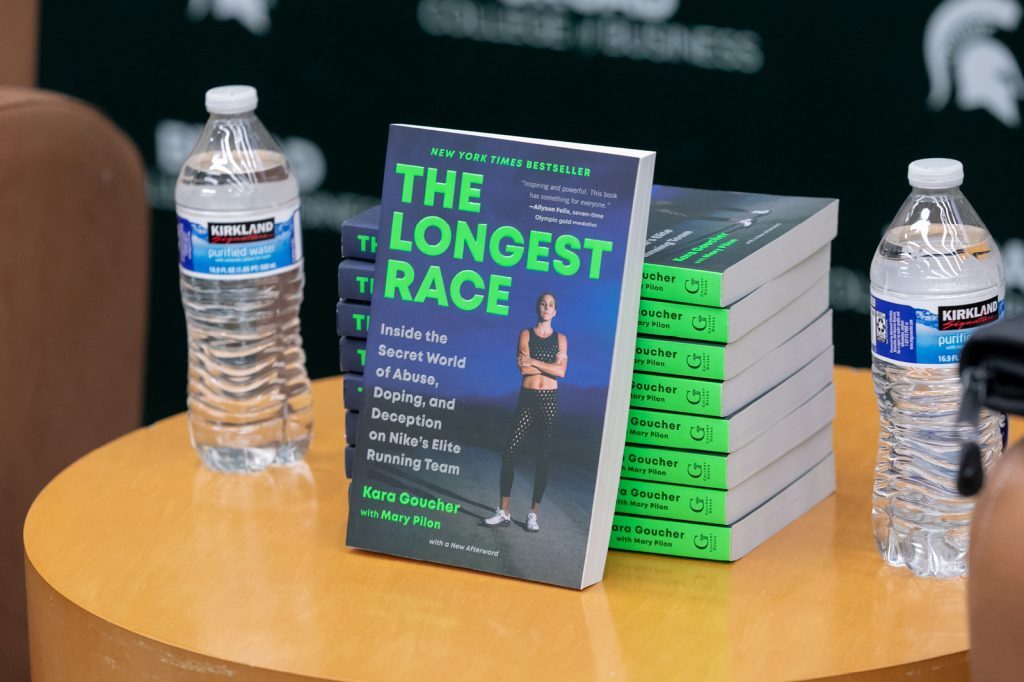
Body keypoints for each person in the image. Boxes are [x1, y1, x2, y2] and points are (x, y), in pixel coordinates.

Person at [484, 292, 567, 532]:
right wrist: (548, 365)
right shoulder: (525, 334)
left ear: (555, 311)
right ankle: (504, 511)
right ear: (538, 308)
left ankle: (533, 514)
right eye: (543, 303)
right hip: (528, 398)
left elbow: (561, 372)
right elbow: (523, 368)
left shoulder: (561, 338)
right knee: (510, 451)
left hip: (549, 401)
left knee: (543, 457)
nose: (547, 307)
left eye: (551, 304)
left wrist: (536, 363)